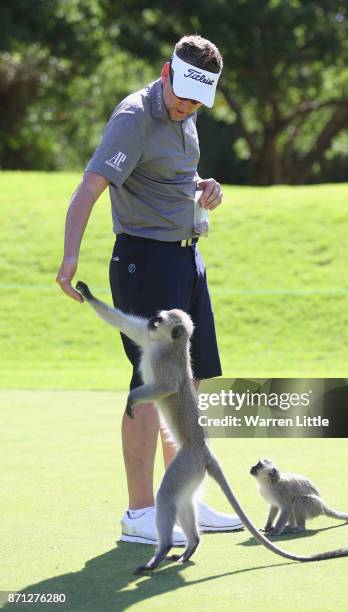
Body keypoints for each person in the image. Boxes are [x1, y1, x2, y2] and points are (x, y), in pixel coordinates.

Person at [56, 34, 242, 545]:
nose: (185, 106)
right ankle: (139, 513)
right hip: (144, 261)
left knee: (190, 383)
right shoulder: (133, 117)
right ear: (166, 72)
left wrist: (206, 187)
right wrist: (70, 257)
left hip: (185, 258)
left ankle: (184, 500)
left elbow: (172, 174)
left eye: (196, 100)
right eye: (180, 94)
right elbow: (87, 189)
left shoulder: (188, 113)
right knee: (152, 386)